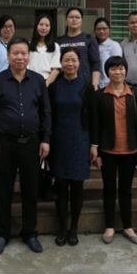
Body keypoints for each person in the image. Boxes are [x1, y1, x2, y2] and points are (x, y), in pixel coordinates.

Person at [0, 37, 51, 256]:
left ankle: (29, 233)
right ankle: (1, 235)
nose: (19, 57)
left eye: (23, 53)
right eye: (15, 53)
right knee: (3, 191)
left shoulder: (38, 81)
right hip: (5, 144)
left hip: (31, 144)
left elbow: (45, 112)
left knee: (31, 191)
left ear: (28, 56)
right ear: (8, 56)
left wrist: (46, 139)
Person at [89, 56, 137, 245]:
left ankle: (128, 226)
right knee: (108, 189)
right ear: (108, 72)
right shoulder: (100, 95)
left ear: (126, 71)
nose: (118, 72)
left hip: (130, 150)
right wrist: (95, 148)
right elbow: (95, 124)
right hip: (107, 150)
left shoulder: (135, 95)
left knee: (126, 190)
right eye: (114, 69)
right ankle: (109, 226)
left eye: (121, 68)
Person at [47, 47, 91, 247]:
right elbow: (48, 115)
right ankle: (62, 228)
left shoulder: (87, 86)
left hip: (80, 140)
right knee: (61, 186)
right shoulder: (54, 87)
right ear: (61, 63)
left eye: (74, 60)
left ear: (79, 63)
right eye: (66, 60)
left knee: (77, 187)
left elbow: (93, 117)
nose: (70, 63)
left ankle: (74, 228)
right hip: (59, 141)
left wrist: (94, 145)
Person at [56, 7, 101, 91]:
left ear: (81, 20)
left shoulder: (89, 39)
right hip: (63, 83)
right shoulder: (59, 41)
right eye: (71, 17)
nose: (74, 19)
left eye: (77, 17)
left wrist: (95, 84)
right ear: (66, 20)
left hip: (85, 84)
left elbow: (96, 63)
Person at [28, 14, 61, 87]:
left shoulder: (55, 46)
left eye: (47, 25)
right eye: (41, 24)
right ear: (36, 26)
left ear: (50, 28)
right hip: (30, 82)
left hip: (47, 83)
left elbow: (56, 69)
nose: (43, 28)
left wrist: (46, 84)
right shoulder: (28, 45)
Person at [94, 17, 122, 89]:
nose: (101, 31)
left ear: (109, 30)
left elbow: (117, 66)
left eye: (104, 28)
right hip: (95, 84)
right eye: (99, 29)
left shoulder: (114, 45)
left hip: (109, 85)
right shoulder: (92, 45)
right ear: (95, 31)